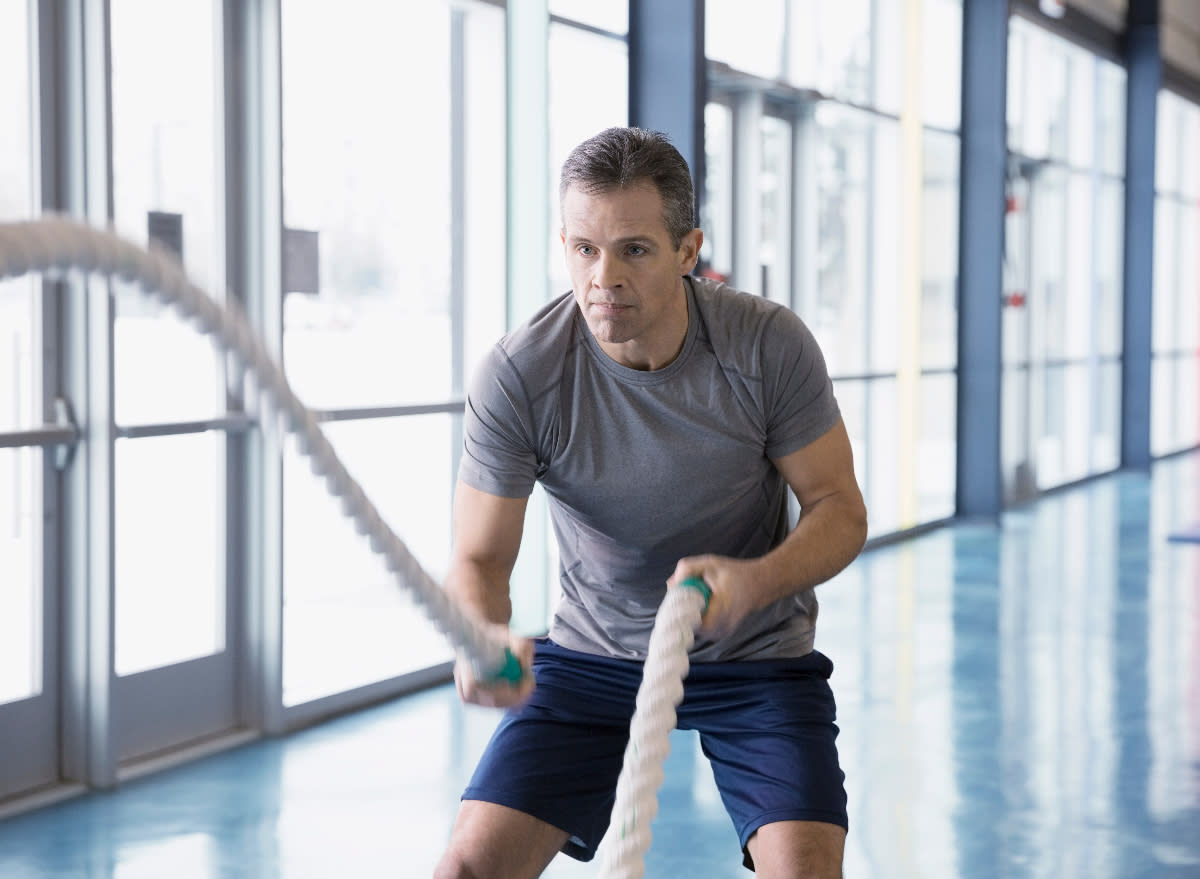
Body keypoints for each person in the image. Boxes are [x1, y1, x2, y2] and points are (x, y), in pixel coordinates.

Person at [434, 126, 867, 879]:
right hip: (593, 657)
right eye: (584, 249)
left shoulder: (766, 347)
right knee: (467, 867)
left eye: (634, 248)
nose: (605, 277)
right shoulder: (520, 374)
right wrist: (480, 631)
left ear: (687, 250)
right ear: (564, 244)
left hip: (756, 654)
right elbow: (479, 555)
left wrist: (753, 582)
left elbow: (839, 508)